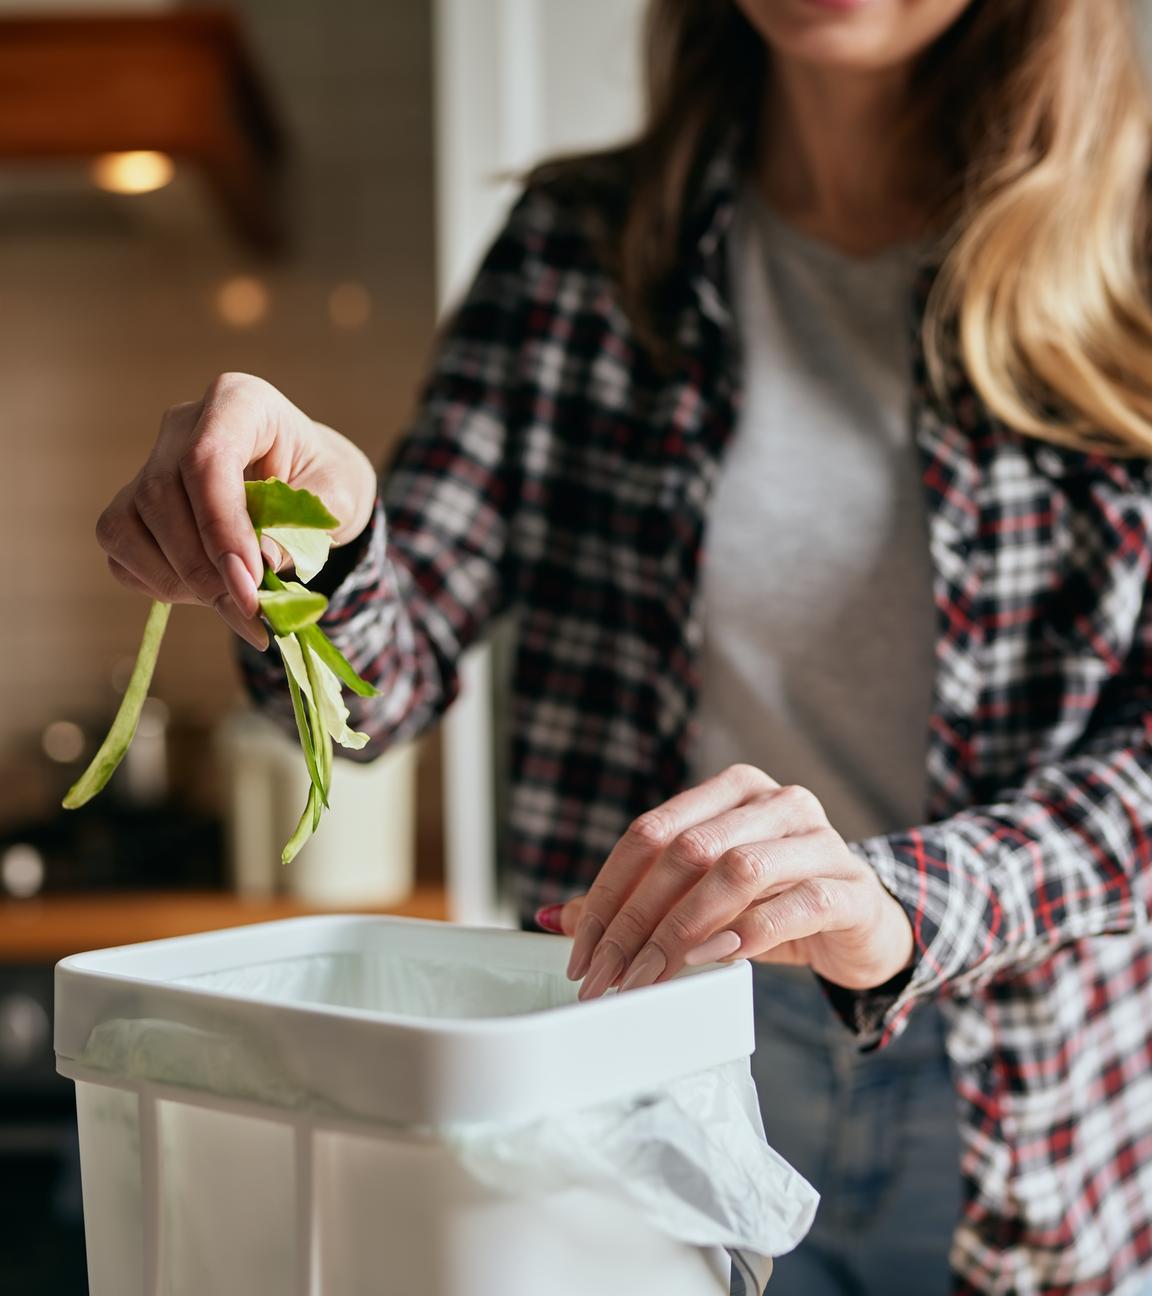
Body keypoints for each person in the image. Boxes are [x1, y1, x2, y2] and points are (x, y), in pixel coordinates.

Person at [93, 0, 1152, 1291]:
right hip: (644, 1056)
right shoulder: (580, 247)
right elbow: (397, 652)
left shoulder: (1133, 259)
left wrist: (898, 904)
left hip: (1021, 1087)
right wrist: (310, 538)